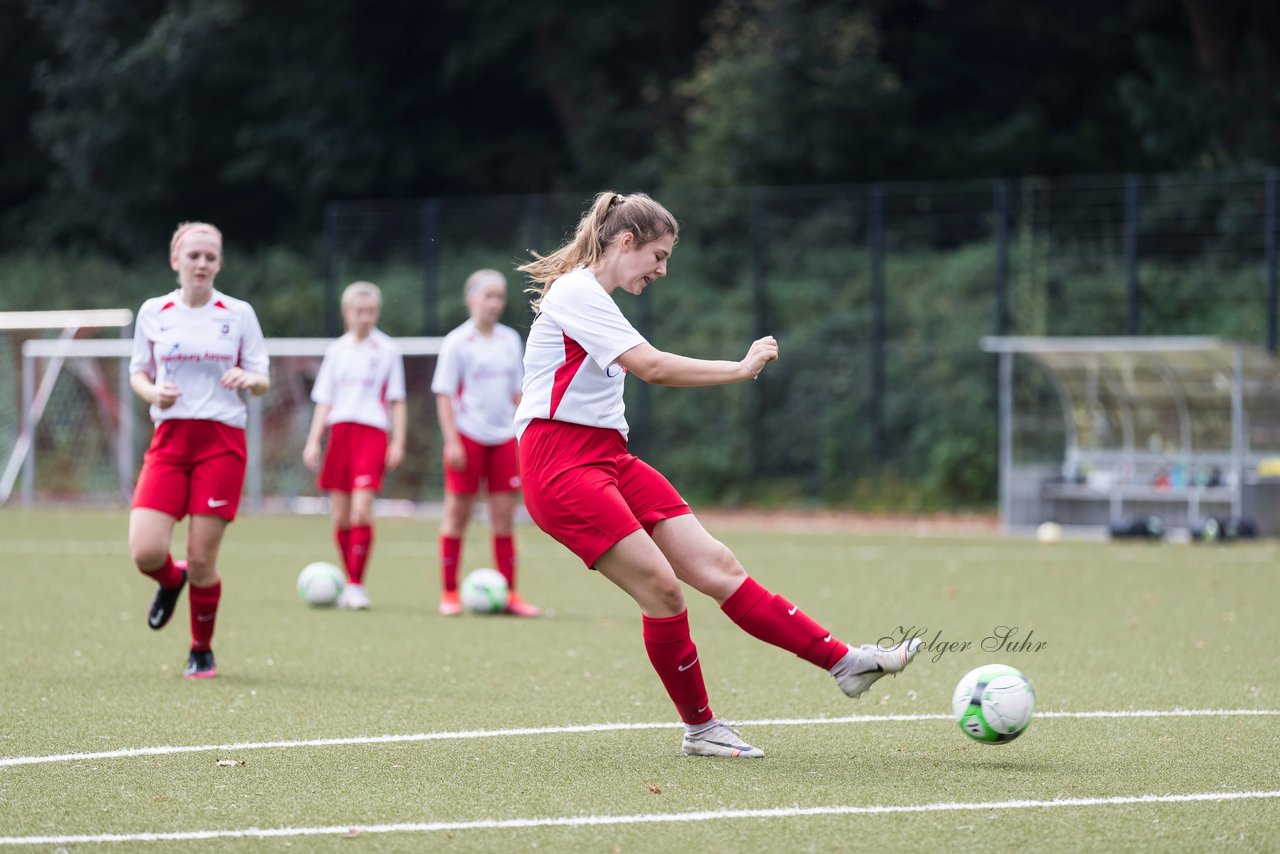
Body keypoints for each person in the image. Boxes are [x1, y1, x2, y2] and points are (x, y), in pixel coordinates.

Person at [514, 191, 922, 758]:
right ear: (625, 242)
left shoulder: (593, 296)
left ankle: (844, 662)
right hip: (558, 464)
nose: (662, 270)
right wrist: (741, 367)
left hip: (606, 457)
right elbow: (652, 368)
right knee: (663, 589)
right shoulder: (577, 291)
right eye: (657, 256)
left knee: (718, 567)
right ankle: (702, 728)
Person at [128, 222, 270, 679]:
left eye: (211, 257)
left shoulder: (239, 313)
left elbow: (263, 377)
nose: (203, 264)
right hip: (169, 441)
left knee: (204, 557)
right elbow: (138, 374)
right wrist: (153, 394)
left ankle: (200, 649)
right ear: (176, 260)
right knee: (146, 552)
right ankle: (172, 580)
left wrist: (249, 379)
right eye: (194, 256)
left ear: (219, 263)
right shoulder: (155, 311)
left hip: (221, 442)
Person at [431, 269, 540, 617]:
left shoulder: (510, 339)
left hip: (504, 438)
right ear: (471, 299)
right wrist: (452, 441)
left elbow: (518, 392)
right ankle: (449, 592)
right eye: (488, 296)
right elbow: (445, 394)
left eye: (499, 297)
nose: (494, 303)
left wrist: (524, 432)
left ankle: (509, 594)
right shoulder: (457, 342)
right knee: (457, 516)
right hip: (467, 437)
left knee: (504, 520)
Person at [302, 281, 407, 609]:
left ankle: (356, 584)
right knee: (341, 516)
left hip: (372, 434)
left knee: (362, 510)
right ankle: (349, 581)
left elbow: (397, 400)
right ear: (347, 313)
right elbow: (324, 400)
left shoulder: (387, 350)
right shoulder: (337, 351)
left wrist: (398, 441)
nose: (365, 317)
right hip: (340, 435)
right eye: (359, 311)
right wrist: (313, 441)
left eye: (371, 311)